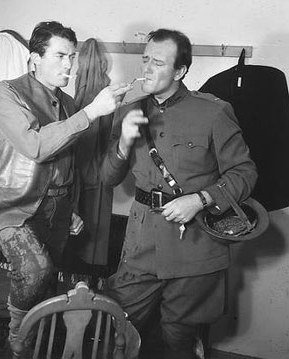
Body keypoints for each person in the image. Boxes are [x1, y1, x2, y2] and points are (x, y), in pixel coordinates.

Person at [0, 21, 130, 352]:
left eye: (71, 56)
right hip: (10, 207)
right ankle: (17, 336)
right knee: (35, 269)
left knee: (46, 286)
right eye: (60, 56)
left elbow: (66, 162)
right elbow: (37, 147)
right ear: (34, 58)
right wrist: (90, 112)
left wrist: (70, 208)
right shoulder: (6, 93)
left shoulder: (68, 103)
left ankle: (33, 347)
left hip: (56, 209)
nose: (69, 65)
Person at [101, 28, 258, 359]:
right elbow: (107, 177)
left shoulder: (213, 112)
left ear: (181, 71)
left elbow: (245, 173)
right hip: (141, 241)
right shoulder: (129, 109)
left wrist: (200, 199)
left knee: (178, 337)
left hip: (195, 246)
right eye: (145, 59)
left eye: (157, 62)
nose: (146, 69)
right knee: (119, 326)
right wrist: (123, 144)